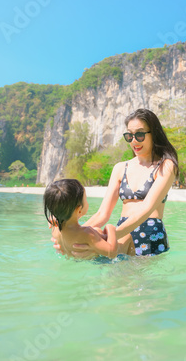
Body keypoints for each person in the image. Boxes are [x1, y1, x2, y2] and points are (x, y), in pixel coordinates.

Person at [51, 108, 178, 258]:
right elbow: (102, 214)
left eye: (140, 135)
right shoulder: (120, 168)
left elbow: (146, 209)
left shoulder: (166, 165)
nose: (134, 141)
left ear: (154, 133)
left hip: (149, 230)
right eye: (129, 136)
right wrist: (73, 236)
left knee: (136, 280)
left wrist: (106, 237)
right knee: (106, 273)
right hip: (120, 231)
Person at [44, 179, 135, 259]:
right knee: (127, 236)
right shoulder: (87, 233)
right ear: (79, 210)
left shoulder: (55, 228)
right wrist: (110, 228)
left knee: (97, 230)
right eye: (86, 199)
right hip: (100, 260)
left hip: (77, 259)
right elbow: (111, 253)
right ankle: (133, 267)